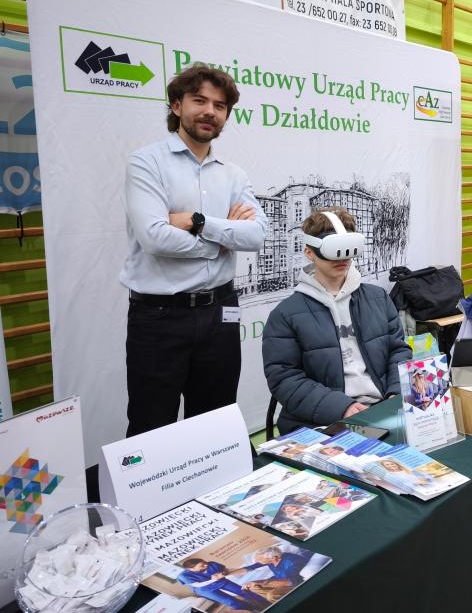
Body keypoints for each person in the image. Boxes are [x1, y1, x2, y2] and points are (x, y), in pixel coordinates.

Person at [121, 63, 267, 437]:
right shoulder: (146, 163)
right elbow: (154, 237)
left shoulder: (233, 175)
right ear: (176, 105)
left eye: (220, 106)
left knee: (216, 425)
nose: (209, 112)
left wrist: (198, 222)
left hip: (221, 312)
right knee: (152, 426)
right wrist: (222, 242)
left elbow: (255, 236)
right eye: (199, 101)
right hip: (159, 318)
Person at [263, 207, 411, 434]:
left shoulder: (378, 299)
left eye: (348, 250)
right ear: (309, 252)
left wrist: (396, 394)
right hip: (322, 422)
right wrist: (342, 408)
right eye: (333, 251)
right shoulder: (285, 315)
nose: (342, 259)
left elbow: (398, 351)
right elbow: (285, 378)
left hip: (383, 409)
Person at [176, 558, 269, 610]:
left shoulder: (212, 564)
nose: (206, 565)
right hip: (204, 589)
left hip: (221, 581)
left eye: (204, 563)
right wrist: (213, 579)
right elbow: (197, 585)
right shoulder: (183, 575)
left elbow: (226, 570)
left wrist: (224, 572)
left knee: (244, 591)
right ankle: (250, 610)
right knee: (231, 601)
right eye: (202, 565)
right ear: (191, 569)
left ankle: (267, 603)